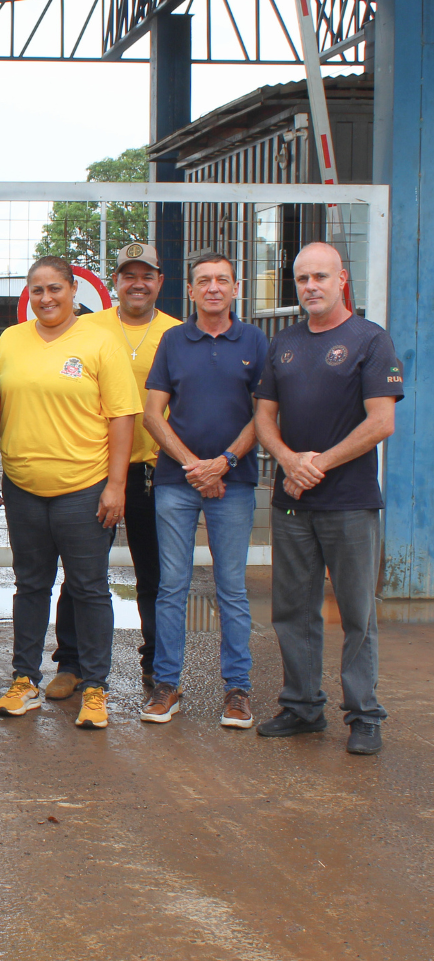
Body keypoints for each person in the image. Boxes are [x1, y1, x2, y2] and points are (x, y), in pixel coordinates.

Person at [253, 241, 401, 756]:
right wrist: (289, 462)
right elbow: (263, 419)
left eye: (320, 277)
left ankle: (363, 715)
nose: (310, 287)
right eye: (302, 279)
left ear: (342, 280)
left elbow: (381, 421)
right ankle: (301, 707)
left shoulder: (369, 340)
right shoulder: (285, 343)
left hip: (351, 501)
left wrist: (315, 464)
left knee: (357, 612)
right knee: (293, 609)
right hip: (292, 499)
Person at [0, 256, 140, 729]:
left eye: (55, 289)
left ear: (74, 291)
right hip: (24, 487)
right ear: (27, 296)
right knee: (30, 585)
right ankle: (24, 679)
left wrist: (116, 485)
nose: (46, 298)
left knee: (90, 588)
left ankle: (95, 687)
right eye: (37, 291)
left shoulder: (99, 341)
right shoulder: (10, 341)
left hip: (84, 489)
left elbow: (122, 417)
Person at [141, 251, 268, 729]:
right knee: (171, 586)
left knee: (231, 588)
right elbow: (153, 414)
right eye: (203, 281)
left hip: (233, 483)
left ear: (235, 288)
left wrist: (224, 463)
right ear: (190, 291)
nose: (213, 287)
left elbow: (264, 413)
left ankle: (237, 691)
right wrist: (196, 466)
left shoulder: (254, 339)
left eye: (222, 280)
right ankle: (167, 685)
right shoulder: (174, 340)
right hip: (178, 481)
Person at [49, 243, 179, 698]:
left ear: (160, 281)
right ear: (116, 282)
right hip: (94, 471)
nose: (137, 283)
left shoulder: (176, 333)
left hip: (153, 471)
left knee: (154, 574)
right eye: (128, 275)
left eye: (147, 275)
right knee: (83, 574)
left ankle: (155, 662)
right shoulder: (87, 326)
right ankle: (71, 661)